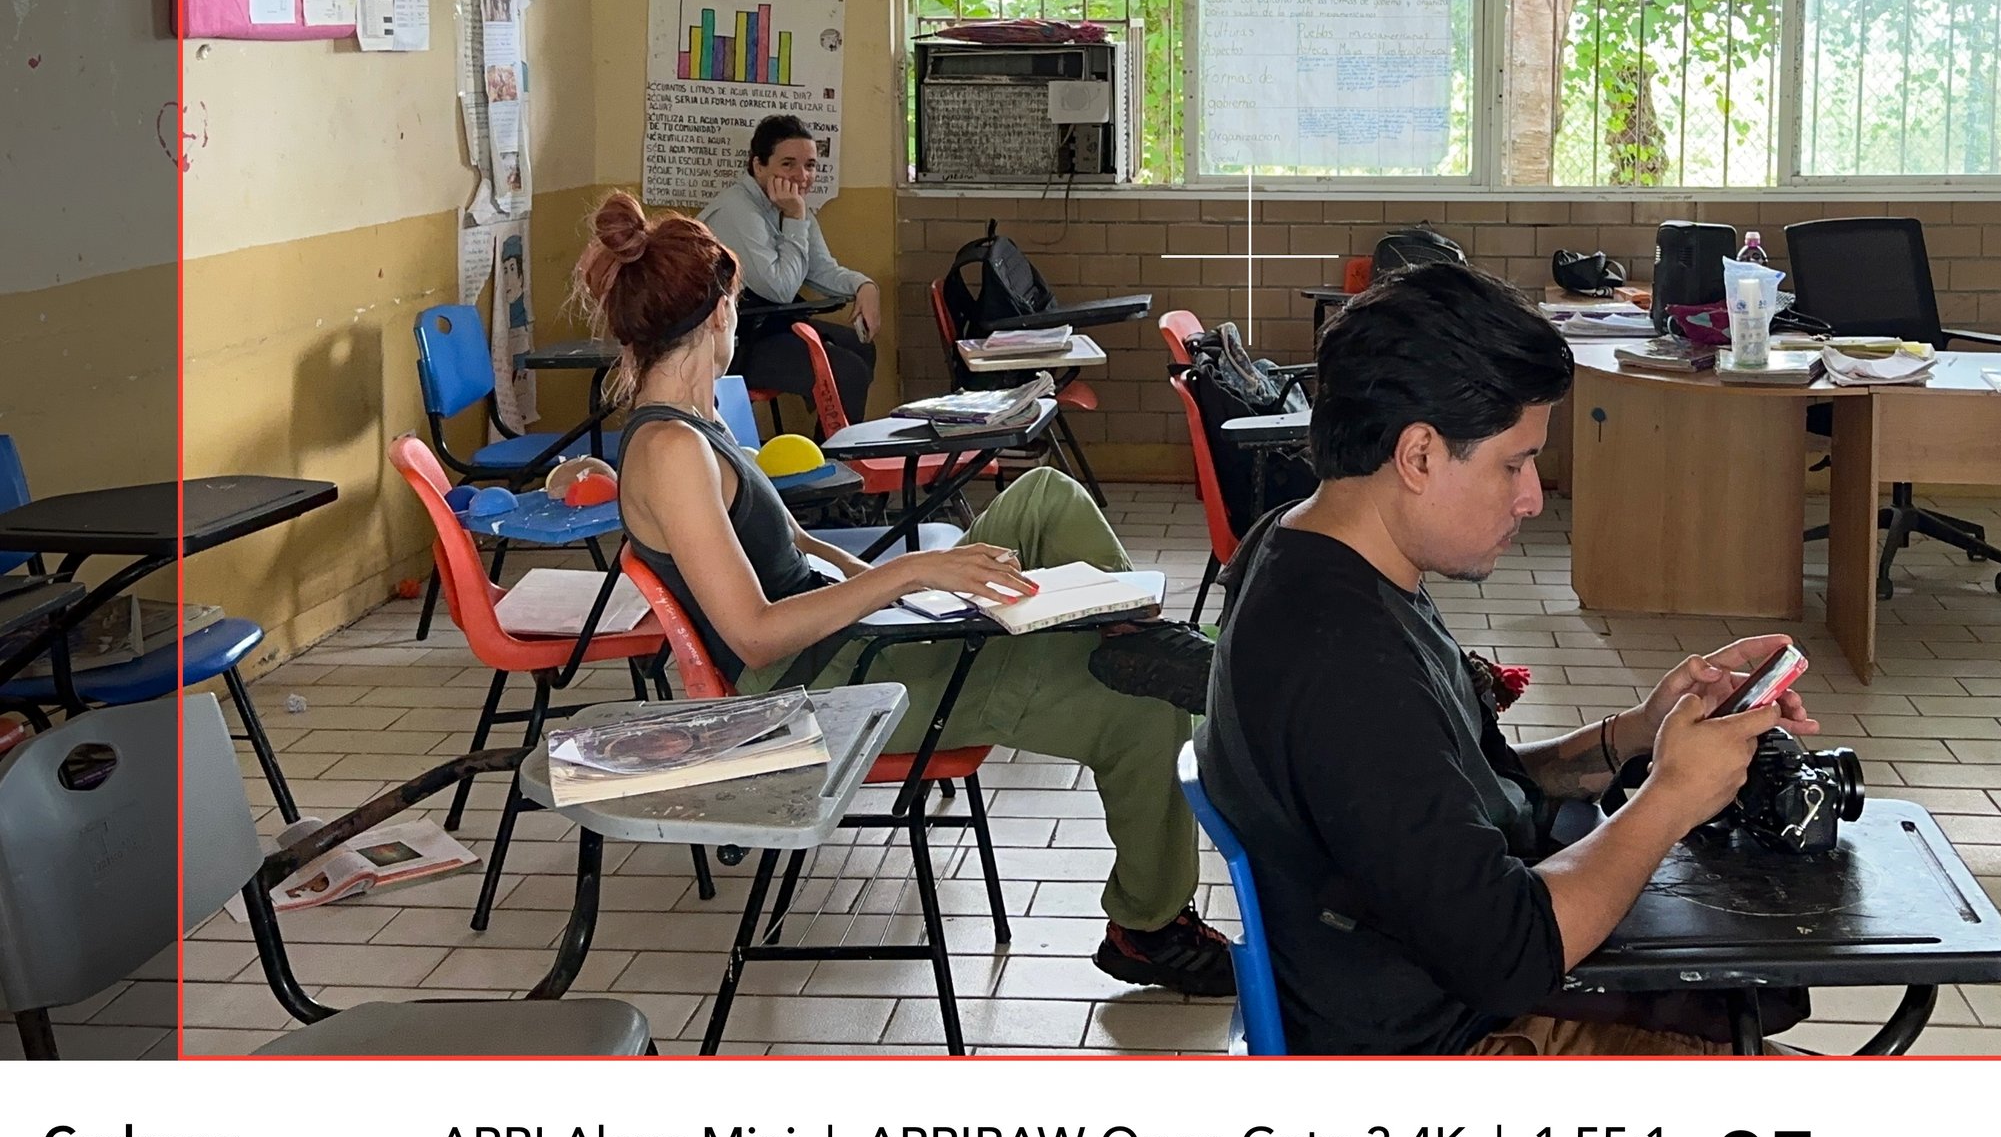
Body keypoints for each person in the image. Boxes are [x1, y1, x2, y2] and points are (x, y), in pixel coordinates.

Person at [574, 192, 1232, 997]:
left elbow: (795, 544)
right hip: (817, 694)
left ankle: (1130, 635)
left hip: (849, 644)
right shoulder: (673, 450)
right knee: (1142, 709)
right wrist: (910, 577)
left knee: (1044, 497)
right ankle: (1150, 927)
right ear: (718, 313)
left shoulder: (690, 422)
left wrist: (893, 590)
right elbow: (754, 634)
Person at [1195, 262, 1821, 1056]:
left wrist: (1635, 733)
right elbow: (1512, 955)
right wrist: (1671, 796)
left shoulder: (1314, 551)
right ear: (1419, 454)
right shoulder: (1345, 668)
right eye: (1513, 464)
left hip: (1425, 987)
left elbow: (1451, 793)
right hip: (1448, 1046)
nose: (1531, 497)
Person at [699, 115, 878, 424]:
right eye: (788, 164)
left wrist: (864, 286)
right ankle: (835, 453)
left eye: (810, 165)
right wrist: (795, 217)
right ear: (758, 166)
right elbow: (779, 289)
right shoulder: (737, 210)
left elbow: (821, 269)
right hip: (733, 343)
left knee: (861, 349)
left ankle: (830, 446)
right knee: (848, 372)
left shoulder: (788, 204)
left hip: (770, 326)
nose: (802, 176)